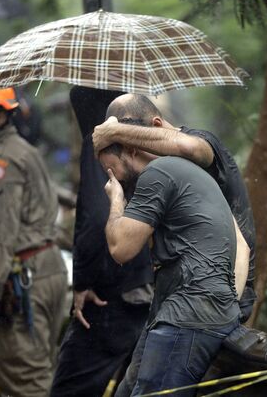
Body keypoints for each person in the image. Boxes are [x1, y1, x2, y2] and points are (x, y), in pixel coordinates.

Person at [99, 94, 245, 396]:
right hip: (180, 306)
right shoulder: (180, 172)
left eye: (113, 171)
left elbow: (121, 249)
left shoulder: (160, 171)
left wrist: (116, 201)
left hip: (190, 312)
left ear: (129, 147)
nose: (113, 180)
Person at [92, 97, 256, 321]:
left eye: (132, 143)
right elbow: (126, 245)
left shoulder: (200, 144)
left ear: (156, 126)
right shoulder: (153, 174)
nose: (131, 151)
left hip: (221, 292)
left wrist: (114, 132)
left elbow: (188, 147)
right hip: (181, 294)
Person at [0, 86, 67, 396]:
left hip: (22, 278)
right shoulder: (24, 150)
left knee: (24, 381)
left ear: (0, 118)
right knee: (41, 371)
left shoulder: (0, 164)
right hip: (47, 267)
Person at [50, 87, 153, 397]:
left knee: (71, 387)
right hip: (143, 283)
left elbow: (97, 219)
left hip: (109, 292)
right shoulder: (141, 146)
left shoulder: (99, 146)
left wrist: (82, 281)